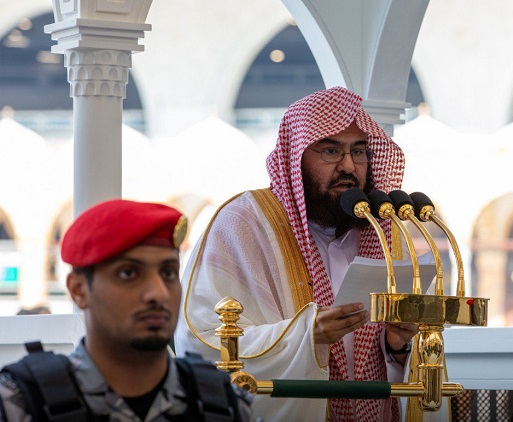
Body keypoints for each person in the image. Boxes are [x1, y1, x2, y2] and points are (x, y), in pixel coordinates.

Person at [176, 86, 417, 421]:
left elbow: (402, 369)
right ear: (296, 157)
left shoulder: (382, 233)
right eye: (331, 151)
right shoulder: (243, 224)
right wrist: (306, 336)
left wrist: (397, 347)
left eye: (359, 151)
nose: (349, 166)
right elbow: (201, 341)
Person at [0, 199, 252, 421]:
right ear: (79, 290)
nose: (159, 293)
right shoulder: (21, 403)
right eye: (128, 273)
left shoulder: (224, 403)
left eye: (168, 273)